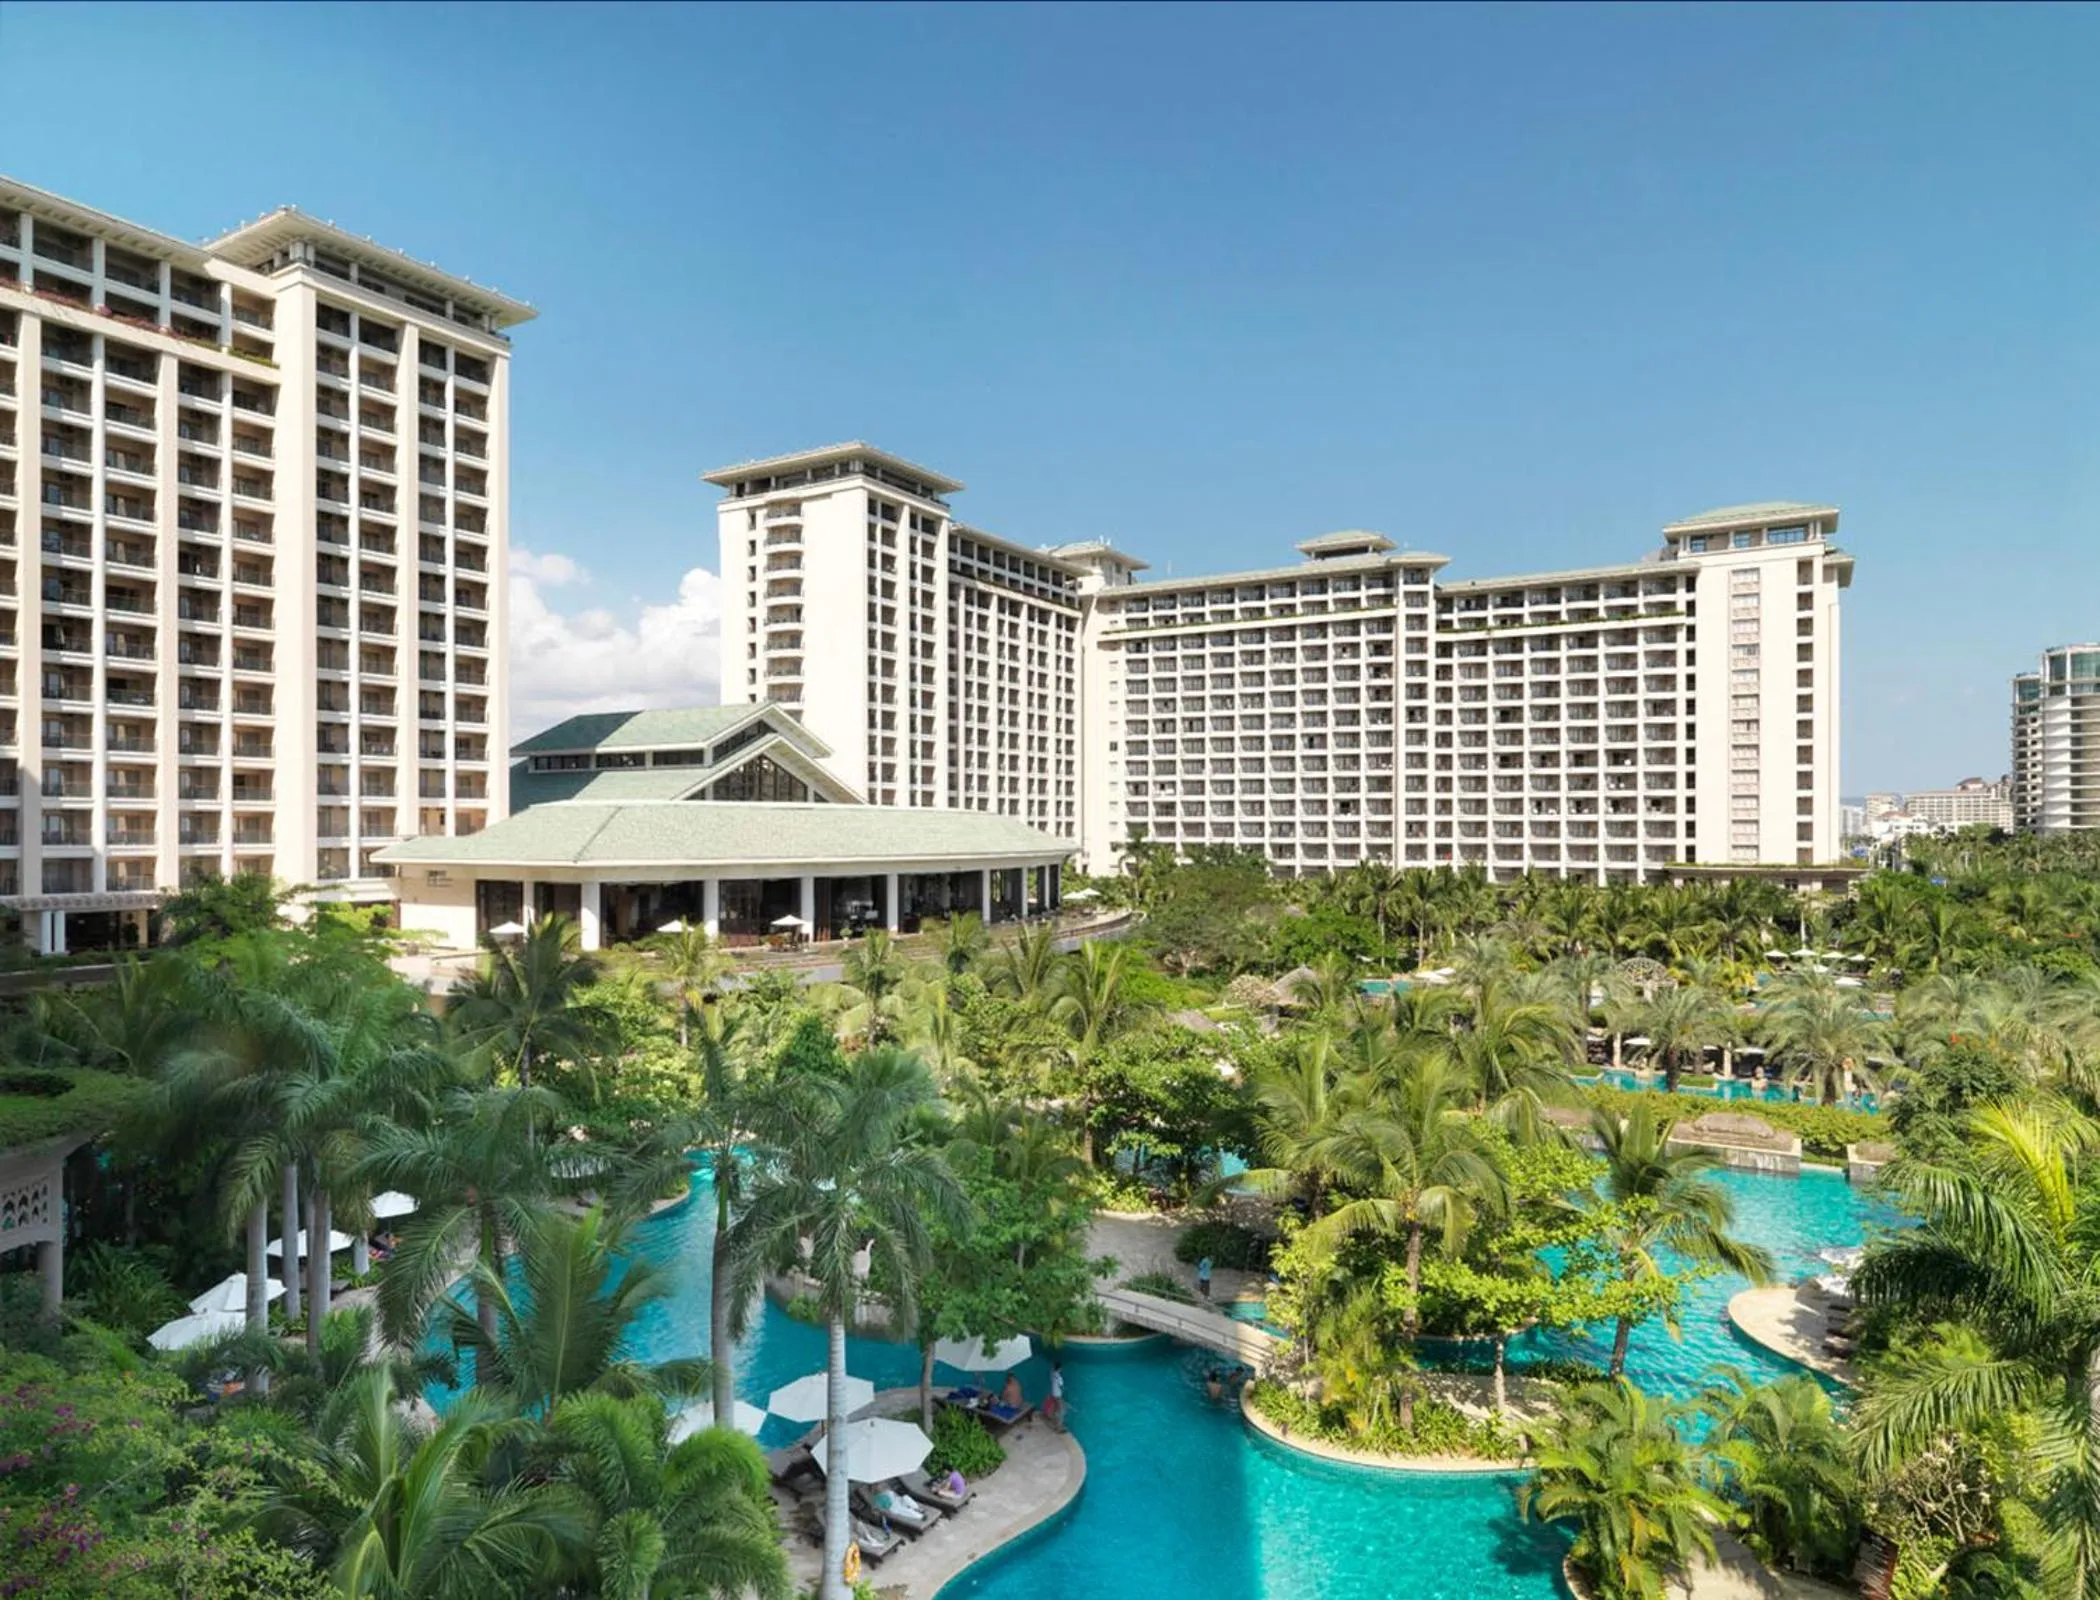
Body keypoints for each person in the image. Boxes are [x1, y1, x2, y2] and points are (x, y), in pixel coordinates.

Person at [1045, 1362, 1066, 1431]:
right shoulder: (1059, 1377)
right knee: (1061, 1411)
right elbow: (1061, 1386)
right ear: (1060, 1368)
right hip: (1058, 1395)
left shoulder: (1052, 1374)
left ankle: (1052, 1419)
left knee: (1056, 1408)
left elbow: (1051, 1370)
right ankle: (1059, 1427)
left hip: (1053, 1394)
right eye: (1061, 1368)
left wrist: (1053, 1367)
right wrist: (1063, 1390)